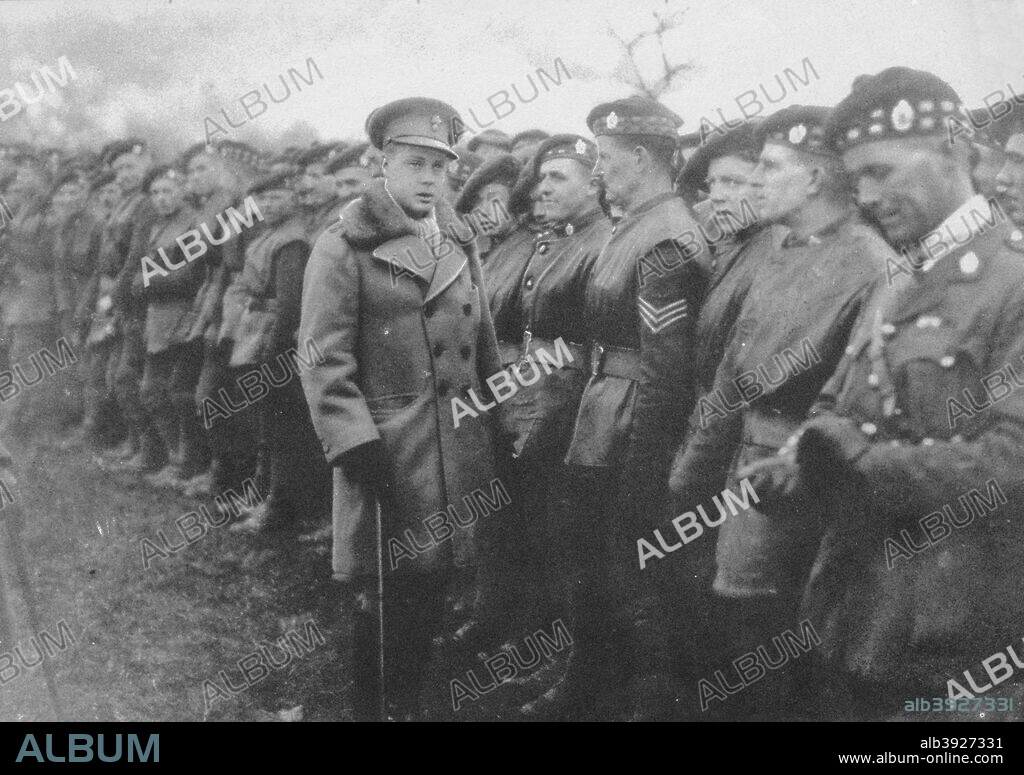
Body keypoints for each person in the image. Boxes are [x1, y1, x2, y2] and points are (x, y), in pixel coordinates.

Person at [743, 66, 1024, 721]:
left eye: (882, 172)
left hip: (959, 627)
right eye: (857, 179)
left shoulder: (1012, 281)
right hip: (857, 609)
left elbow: (1014, 460)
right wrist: (796, 462)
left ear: (954, 150)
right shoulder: (900, 273)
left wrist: (863, 464)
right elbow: (838, 403)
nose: (867, 196)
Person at [670, 105, 894, 720]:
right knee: (730, 640)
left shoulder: (871, 266)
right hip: (739, 466)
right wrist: (691, 472)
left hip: (795, 485)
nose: (756, 180)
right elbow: (732, 371)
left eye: (770, 167)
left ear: (814, 179)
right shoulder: (781, 246)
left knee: (772, 650)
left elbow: (858, 402)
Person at [299, 97, 507, 720]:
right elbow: (322, 357)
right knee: (383, 595)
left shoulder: (457, 238)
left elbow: (483, 341)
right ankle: (377, 711)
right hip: (390, 450)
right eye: (415, 164)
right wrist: (354, 442)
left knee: (434, 587)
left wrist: (499, 416)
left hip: (456, 443)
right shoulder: (344, 245)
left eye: (439, 168)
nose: (429, 180)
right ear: (381, 163)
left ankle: (408, 706)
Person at [537, 96, 706, 721]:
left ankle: (645, 695)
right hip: (605, 408)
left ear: (640, 157)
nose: (598, 170)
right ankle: (593, 678)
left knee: (630, 564)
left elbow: (665, 367)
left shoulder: (666, 237)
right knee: (590, 555)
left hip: (631, 419)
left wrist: (647, 461)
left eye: (606, 158)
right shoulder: (637, 224)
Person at [226, 172, 330, 536]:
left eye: (276, 197)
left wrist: (275, 352)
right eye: (262, 199)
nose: (267, 205)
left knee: (283, 427)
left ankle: (280, 506)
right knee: (268, 425)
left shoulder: (292, 242)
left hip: (274, 339)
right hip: (256, 331)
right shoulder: (269, 235)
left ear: (293, 199)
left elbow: (289, 306)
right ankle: (266, 496)